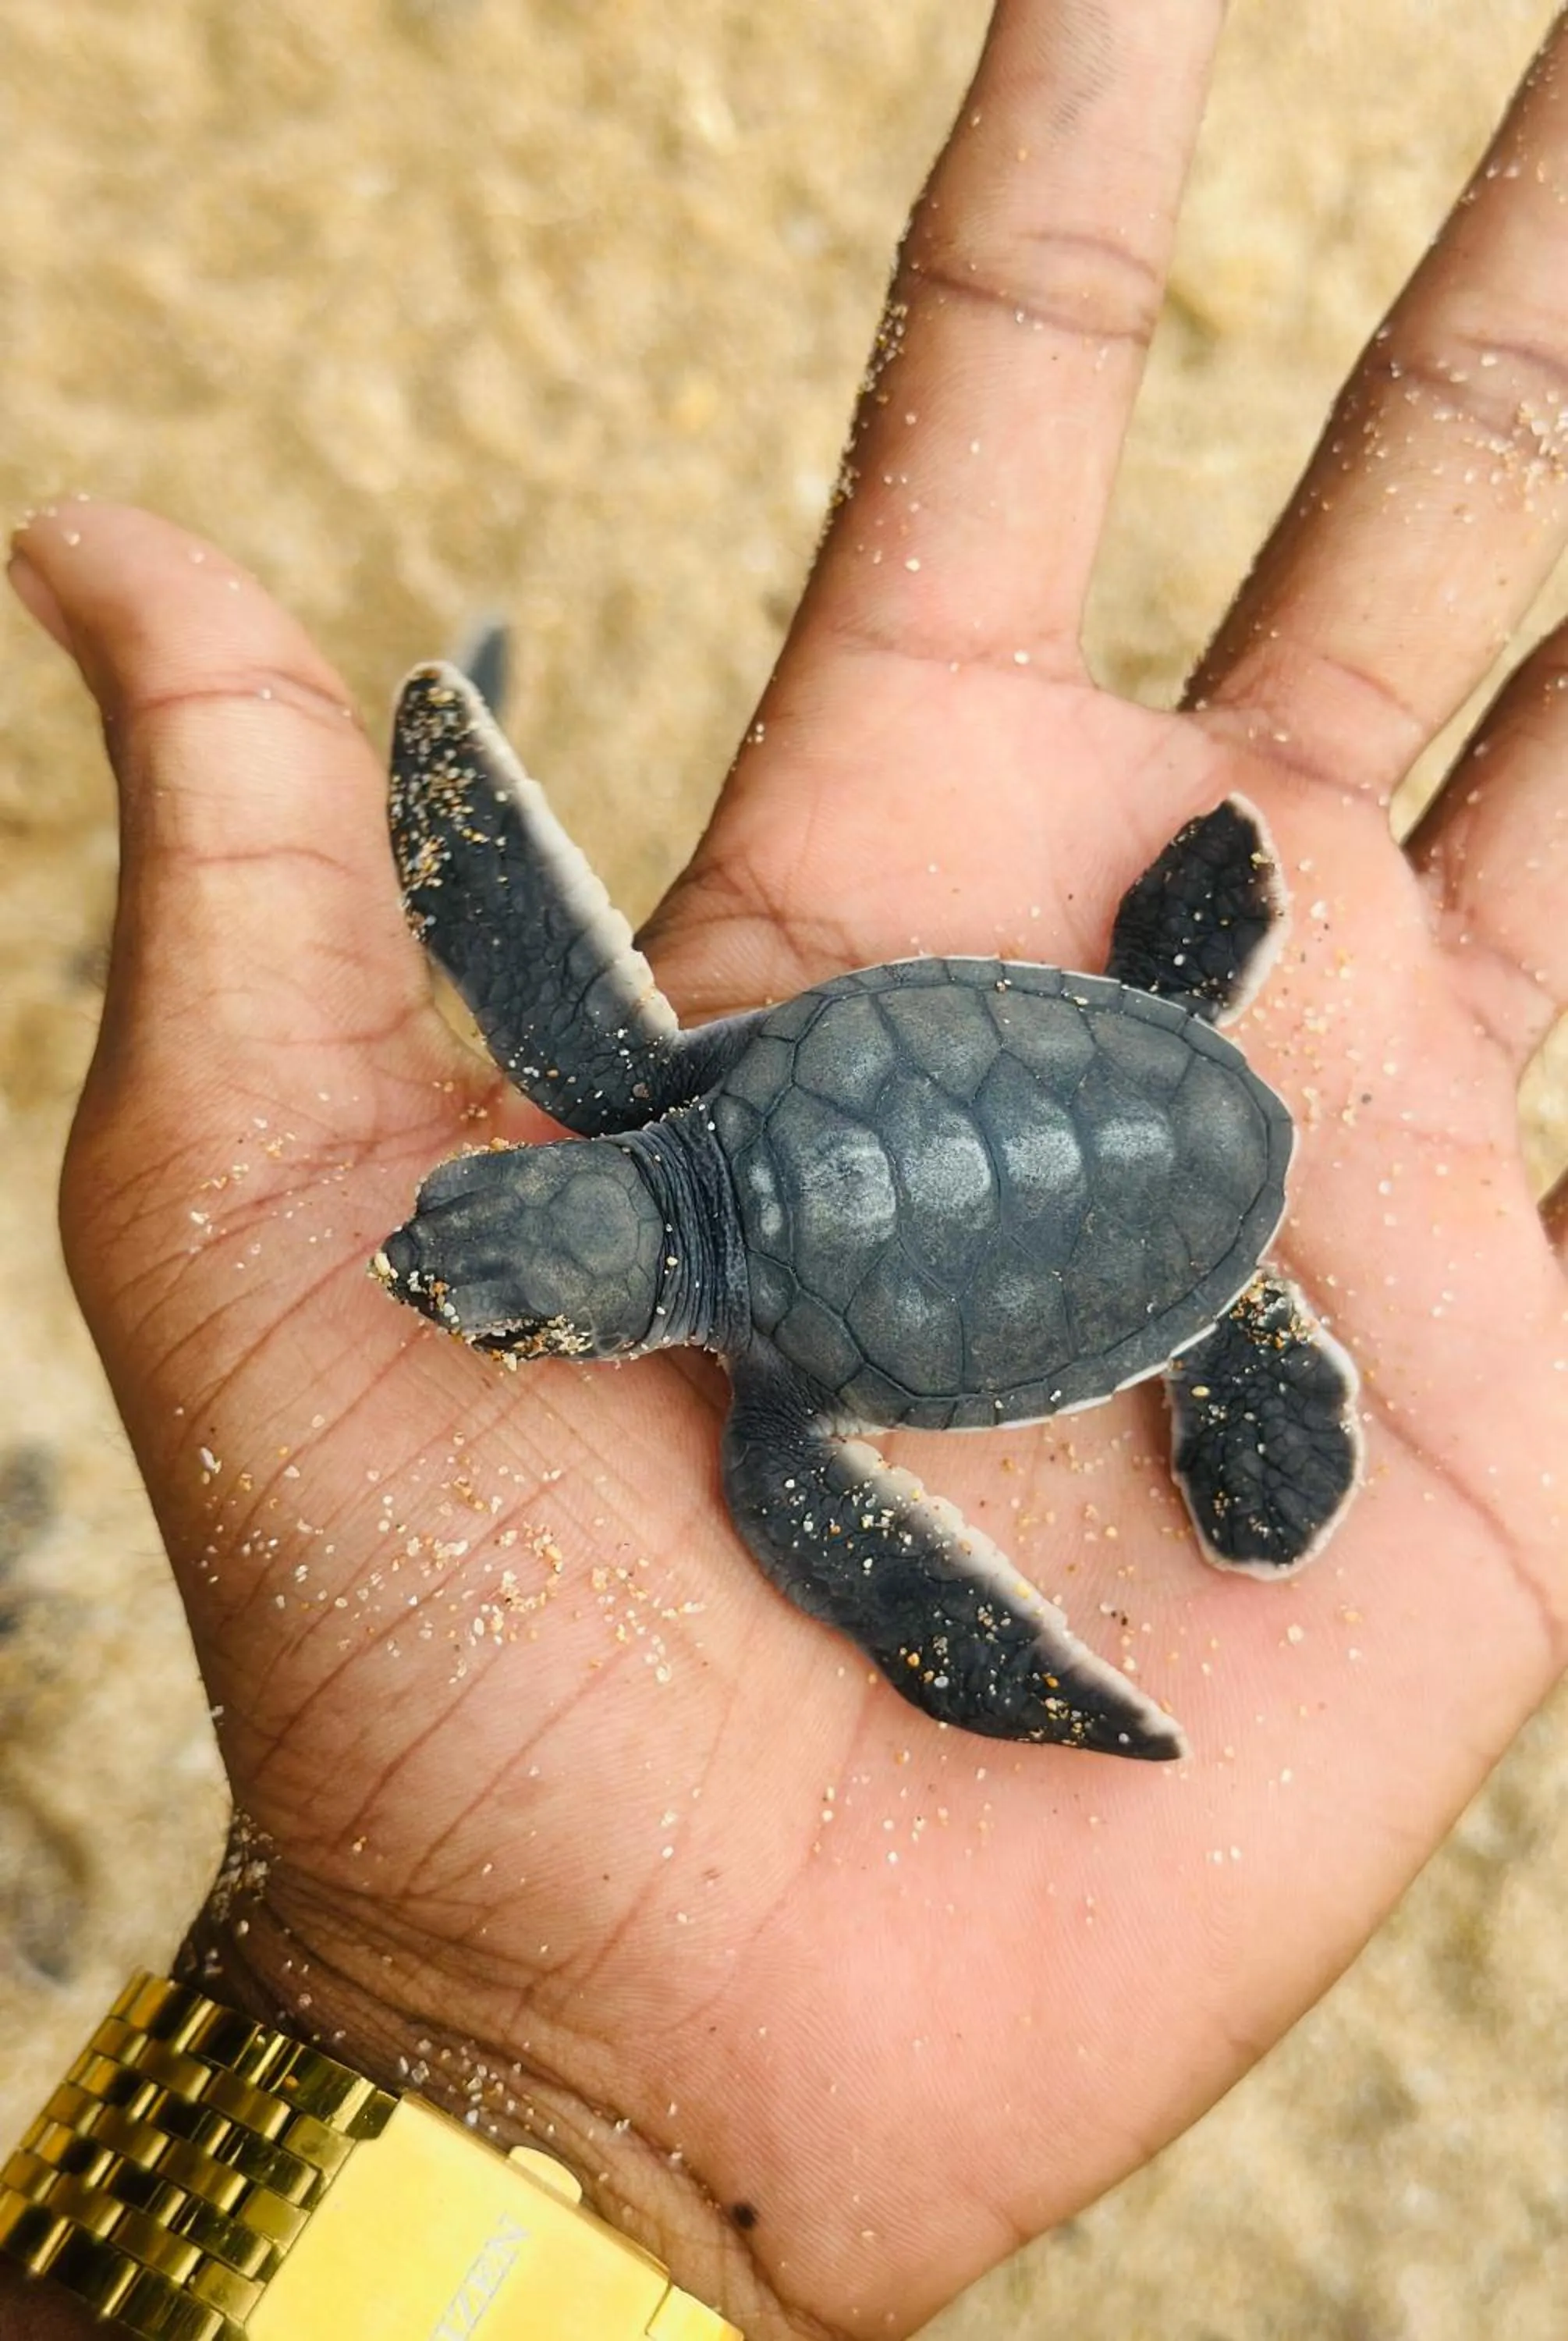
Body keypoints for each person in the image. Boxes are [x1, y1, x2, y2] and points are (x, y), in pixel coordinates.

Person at [4, 2, 1567, 2334]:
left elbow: (516, 931)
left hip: (1136, 1206)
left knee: (1013, 1450)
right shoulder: (656, 1130)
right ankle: (1194, 1090)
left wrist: (438, 777)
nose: (436, 1274)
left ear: (617, 1321)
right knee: (1043, 1232)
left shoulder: (768, 1420)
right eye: (473, 1277)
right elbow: (516, 941)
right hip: (1071, 1096)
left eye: (474, 1291)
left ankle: (1231, 1307)